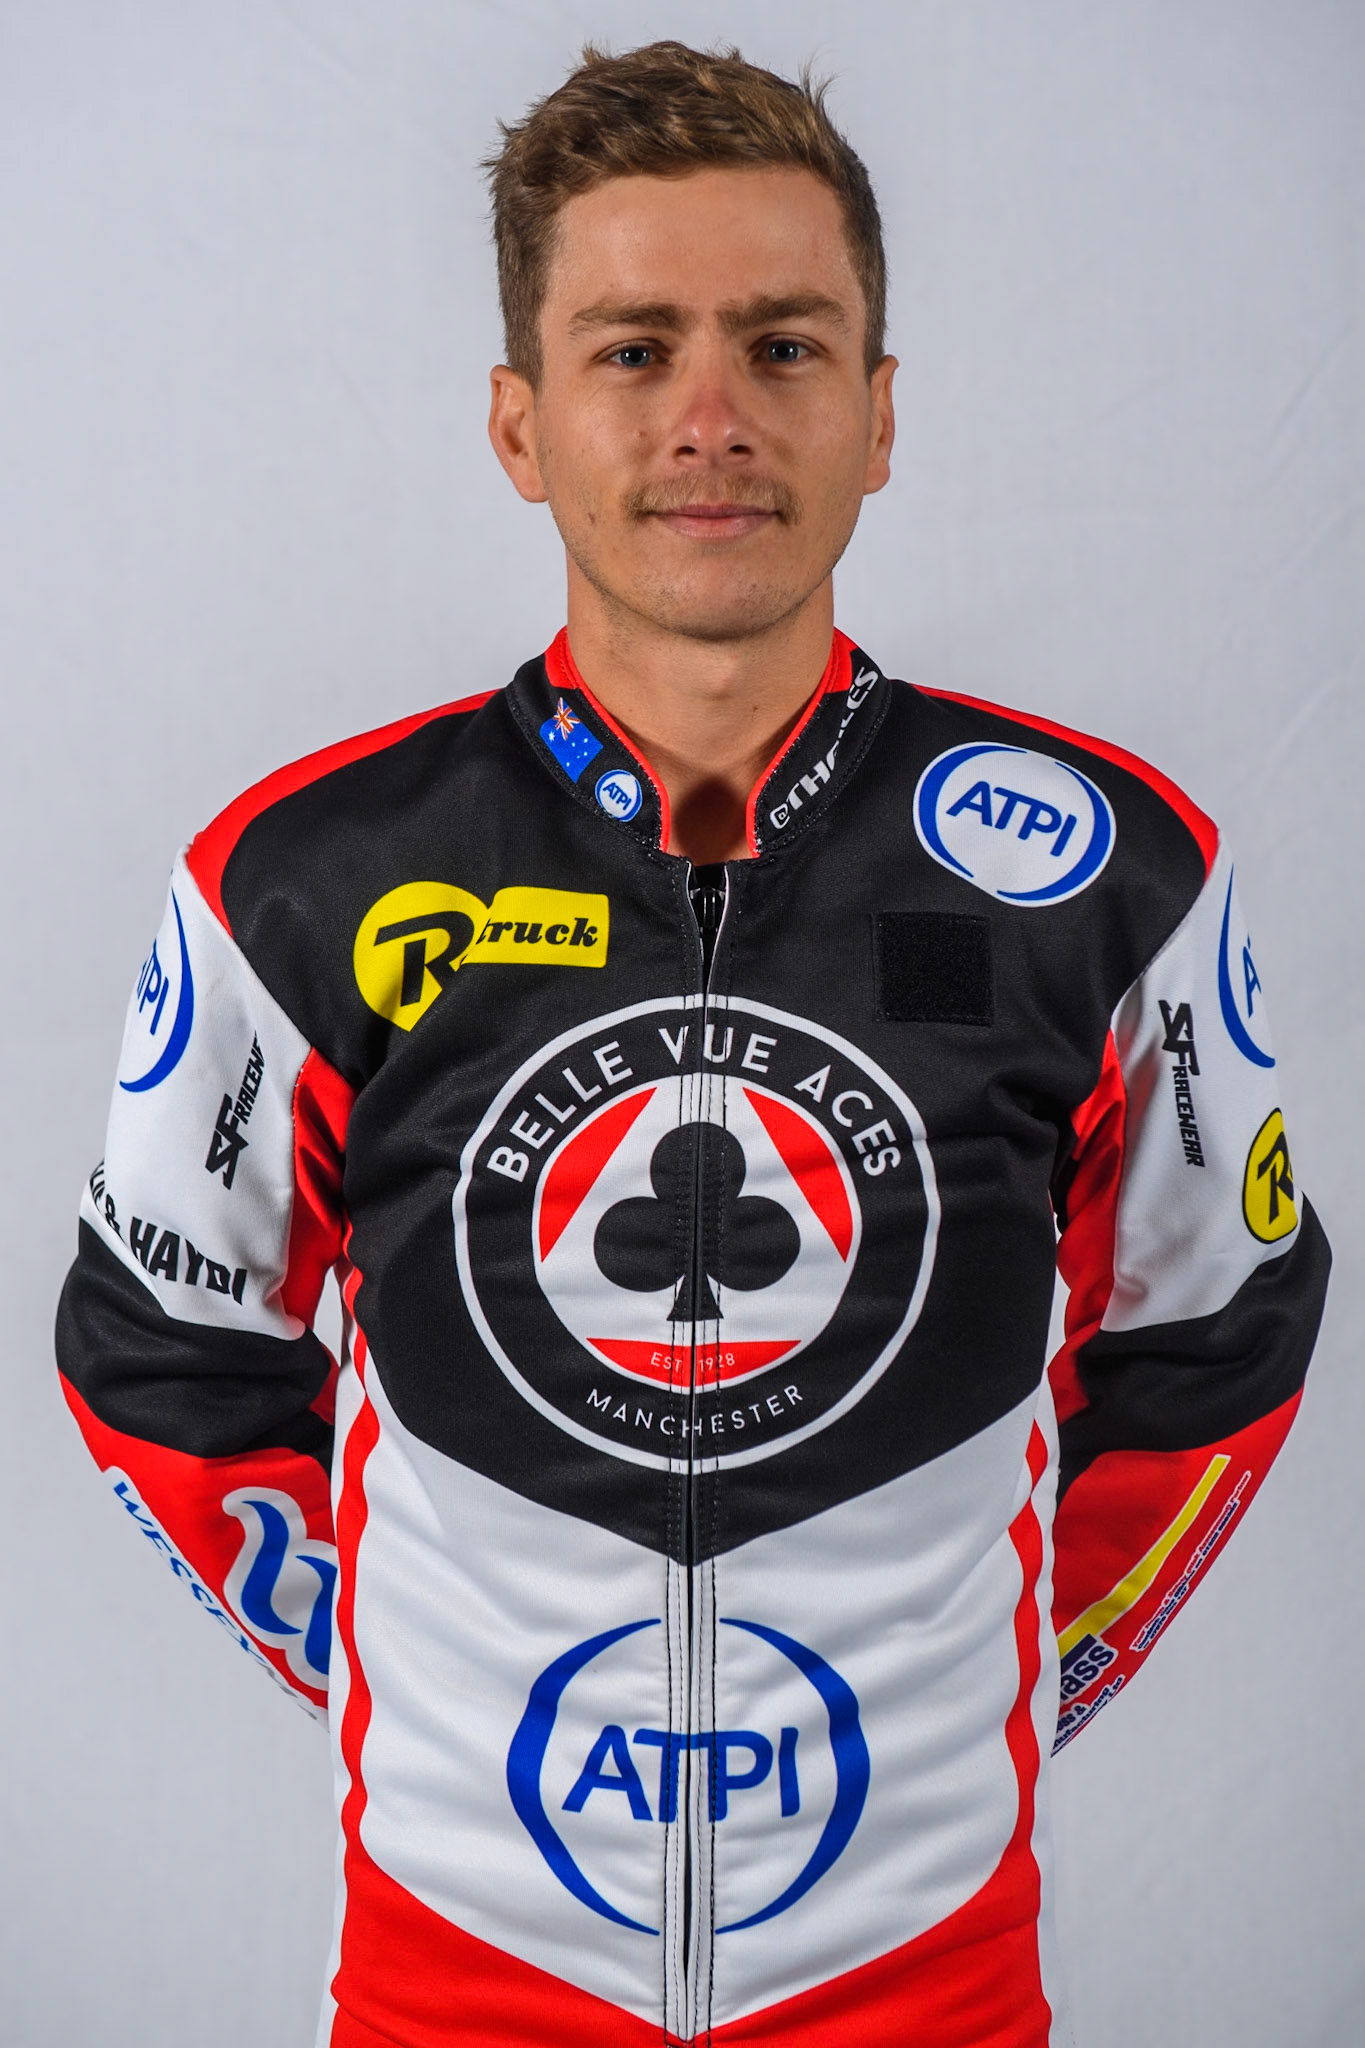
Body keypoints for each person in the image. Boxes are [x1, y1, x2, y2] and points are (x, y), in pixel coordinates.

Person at [55, 40, 1329, 2048]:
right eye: (633, 350)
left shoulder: (1109, 876)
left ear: (880, 413)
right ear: (518, 420)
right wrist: (399, 1659)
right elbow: (160, 1356)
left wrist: (1011, 1668)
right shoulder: (297, 879)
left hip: (924, 1993)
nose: (711, 419)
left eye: (785, 346)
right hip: (456, 1995)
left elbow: (1217, 1338)